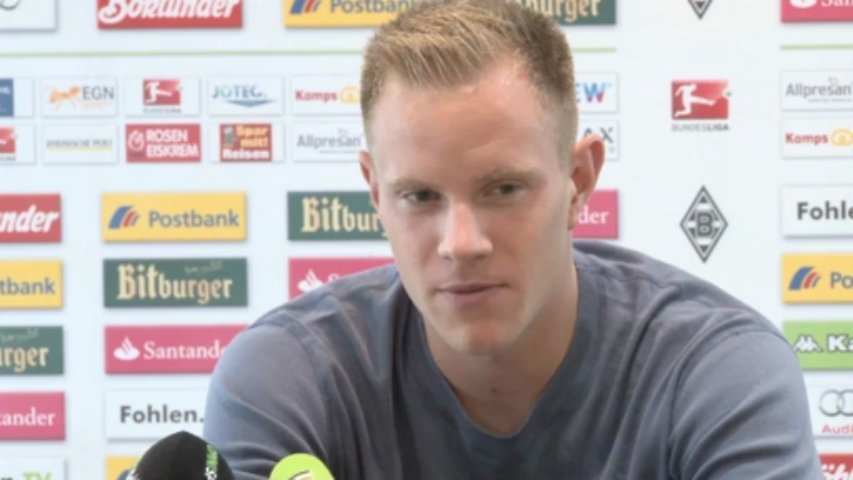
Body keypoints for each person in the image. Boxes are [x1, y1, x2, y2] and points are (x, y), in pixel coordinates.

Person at [204, 0, 822, 477]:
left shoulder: (718, 372)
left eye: (503, 189)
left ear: (579, 180)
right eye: (420, 196)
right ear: (375, 193)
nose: (461, 243)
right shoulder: (288, 378)